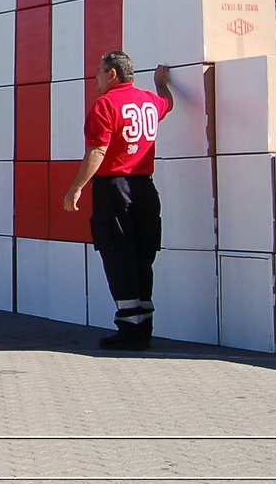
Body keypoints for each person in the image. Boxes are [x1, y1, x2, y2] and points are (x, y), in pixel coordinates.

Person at [64, 52, 173, 351]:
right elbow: (168, 104)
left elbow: (97, 151)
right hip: (146, 189)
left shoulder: (105, 105)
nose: (95, 77)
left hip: (115, 188)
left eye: (99, 71)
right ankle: (143, 327)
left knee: (117, 254)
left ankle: (129, 329)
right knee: (142, 257)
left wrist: (75, 188)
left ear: (112, 74)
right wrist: (161, 84)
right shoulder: (150, 101)